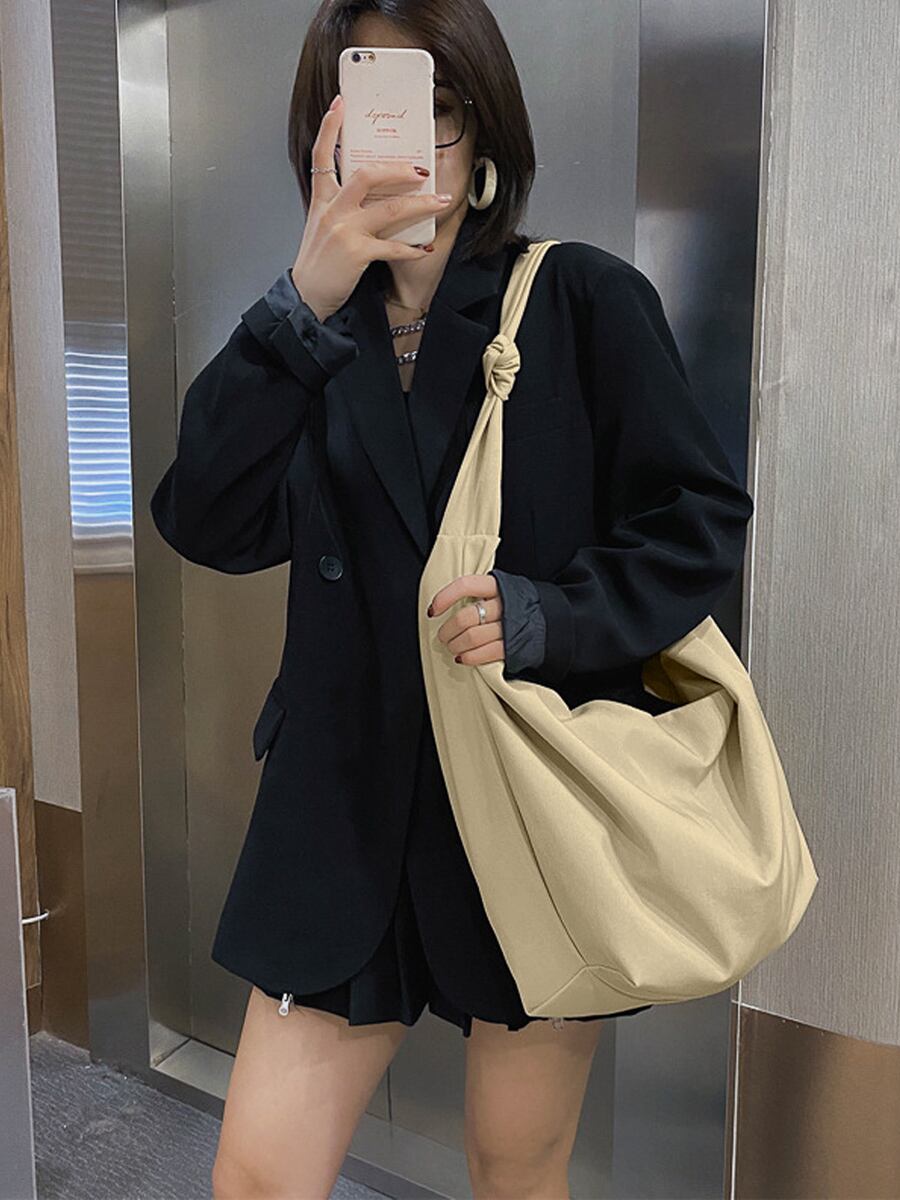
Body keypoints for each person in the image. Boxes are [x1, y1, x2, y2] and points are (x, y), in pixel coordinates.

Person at [149, 1, 755, 1196]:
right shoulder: (310, 333)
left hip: (526, 793)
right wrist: (301, 300)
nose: (405, 138)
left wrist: (549, 616)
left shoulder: (580, 300)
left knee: (512, 1167)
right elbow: (205, 520)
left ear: (481, 130)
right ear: (324, 135)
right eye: (367, 105)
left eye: (433, 105)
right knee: (257, 1176)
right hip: (342, 801)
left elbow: (698, 521)